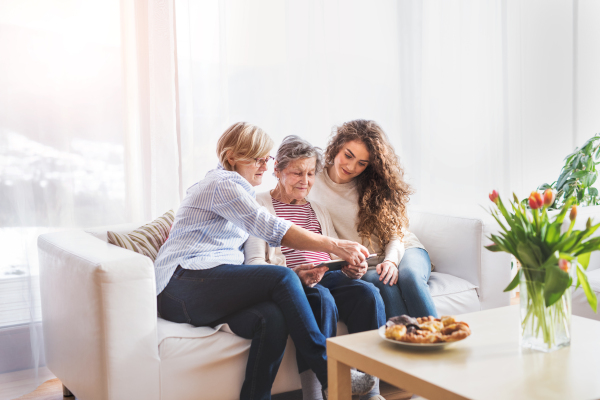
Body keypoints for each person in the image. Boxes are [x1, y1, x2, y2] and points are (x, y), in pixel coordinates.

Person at [154, 122, 375, 400]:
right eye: (256, 159)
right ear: (232, 157)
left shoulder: (240, 189)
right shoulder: (223, 184)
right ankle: (329, 373)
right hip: (179, 285)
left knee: (271, 318)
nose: (263, 165)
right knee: (281, 277)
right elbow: (269, 227)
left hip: (204, 287)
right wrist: (335, 245)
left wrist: (298, 274)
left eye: (265, 158)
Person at [244, 135, 386, 400]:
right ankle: (317, 394)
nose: (305, 181)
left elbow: (331, 255)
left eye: (310, 174)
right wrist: (295, 275)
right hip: (291, 283)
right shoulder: (257, 206)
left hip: (325, 277)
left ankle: (370, 392)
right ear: (277, 170)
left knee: (368, 293)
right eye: (297, 172)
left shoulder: (318, 210)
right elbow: (255, 265)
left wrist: (349, 269)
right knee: (321, 298)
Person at [307, 119, 438, 320]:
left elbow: (397, 234)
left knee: (409, 277)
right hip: (366, 265)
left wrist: (392, 261)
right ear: (336, 147)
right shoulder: (312, 182)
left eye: (362, 163)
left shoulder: (373, 184)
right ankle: (404, 344)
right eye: (348, 156)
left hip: (402, 248)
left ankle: (438, 339)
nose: (351, 167)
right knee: (383, 282)